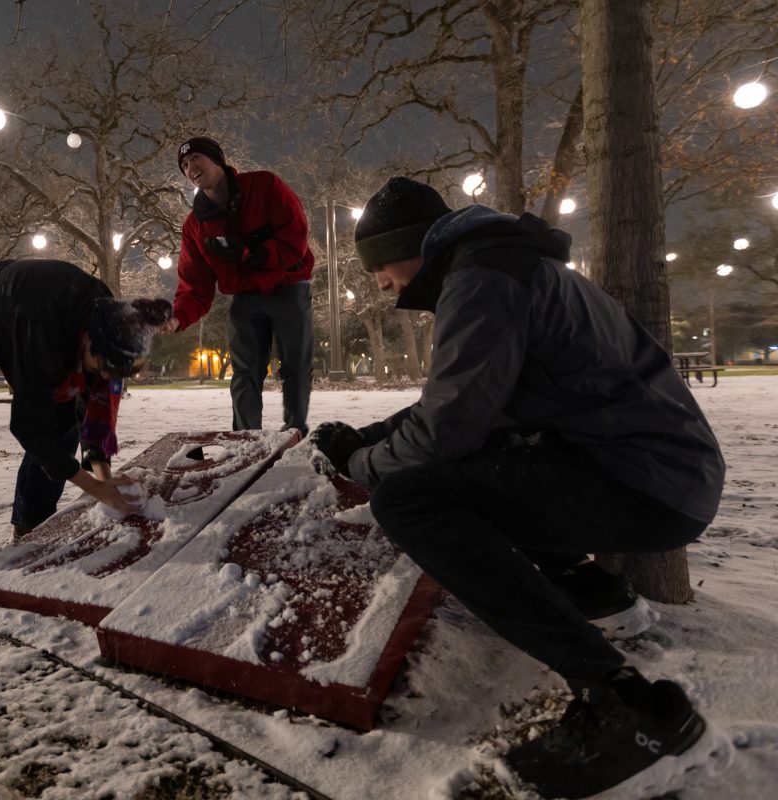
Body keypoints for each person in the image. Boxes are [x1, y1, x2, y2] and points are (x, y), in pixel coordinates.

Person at [310, 177, 730, 798]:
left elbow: (449, 430)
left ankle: (627, 708)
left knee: (410, 498)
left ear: (415, 246)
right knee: (467, 468)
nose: (381, 283)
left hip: (643, 481)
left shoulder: (482, 280)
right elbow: (466, 403)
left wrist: (364, 466)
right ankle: (591, 595)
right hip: (658, 473)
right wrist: (362, 439)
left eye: (381, 265)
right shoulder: (499, 266)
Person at [0, 258, 172, 594]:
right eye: (106, 366)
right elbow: (28, 427)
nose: (109, 376)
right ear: (88, 342)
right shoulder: (47, 332)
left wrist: (105, 477)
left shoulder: (111, 325)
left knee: (63, 418)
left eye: (119, 371)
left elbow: (97, 411)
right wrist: (93, 487)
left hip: (12, 320)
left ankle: (31, 526)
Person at [166, 136, 315, 435]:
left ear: (217, 159)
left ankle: (295, 433)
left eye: (196, 158)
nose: (190, 166)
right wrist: (177, 317)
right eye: (184, 165)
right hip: (245, 297)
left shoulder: (265, 186)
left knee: (296, 366)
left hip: (288, 285)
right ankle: (246, 441)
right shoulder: (194, 225)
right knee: (245, 371)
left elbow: (295, 238)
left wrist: (250, 253)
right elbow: (195, 283)